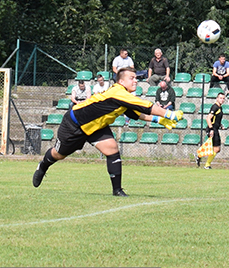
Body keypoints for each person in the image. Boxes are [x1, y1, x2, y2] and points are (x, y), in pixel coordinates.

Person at [32, 67, 183, 196]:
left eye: (136, 78)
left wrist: (158, 120)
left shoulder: (124, 95)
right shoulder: (119, 92)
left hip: (97, 126)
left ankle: (117, 190)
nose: (135, 81)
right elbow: (146, 106)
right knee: (59, 154)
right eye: (132, 78)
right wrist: (169, 114)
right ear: (121, 82)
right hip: (75, 123)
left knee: (112, 149)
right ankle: (43, 166)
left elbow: (134, 113)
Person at [198, 92, 226, 169]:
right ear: (217, 98)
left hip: (215, 128)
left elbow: (216, 119)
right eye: (220, 98)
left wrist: (220, 125)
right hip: (213, 129)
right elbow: (208, 118)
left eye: (223, 98)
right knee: (216, 148)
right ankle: (207, 164)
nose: (222, 100)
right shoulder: (215, 107)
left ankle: (199, 155)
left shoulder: (220, 107)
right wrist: (211, 129)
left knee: (215, 148)